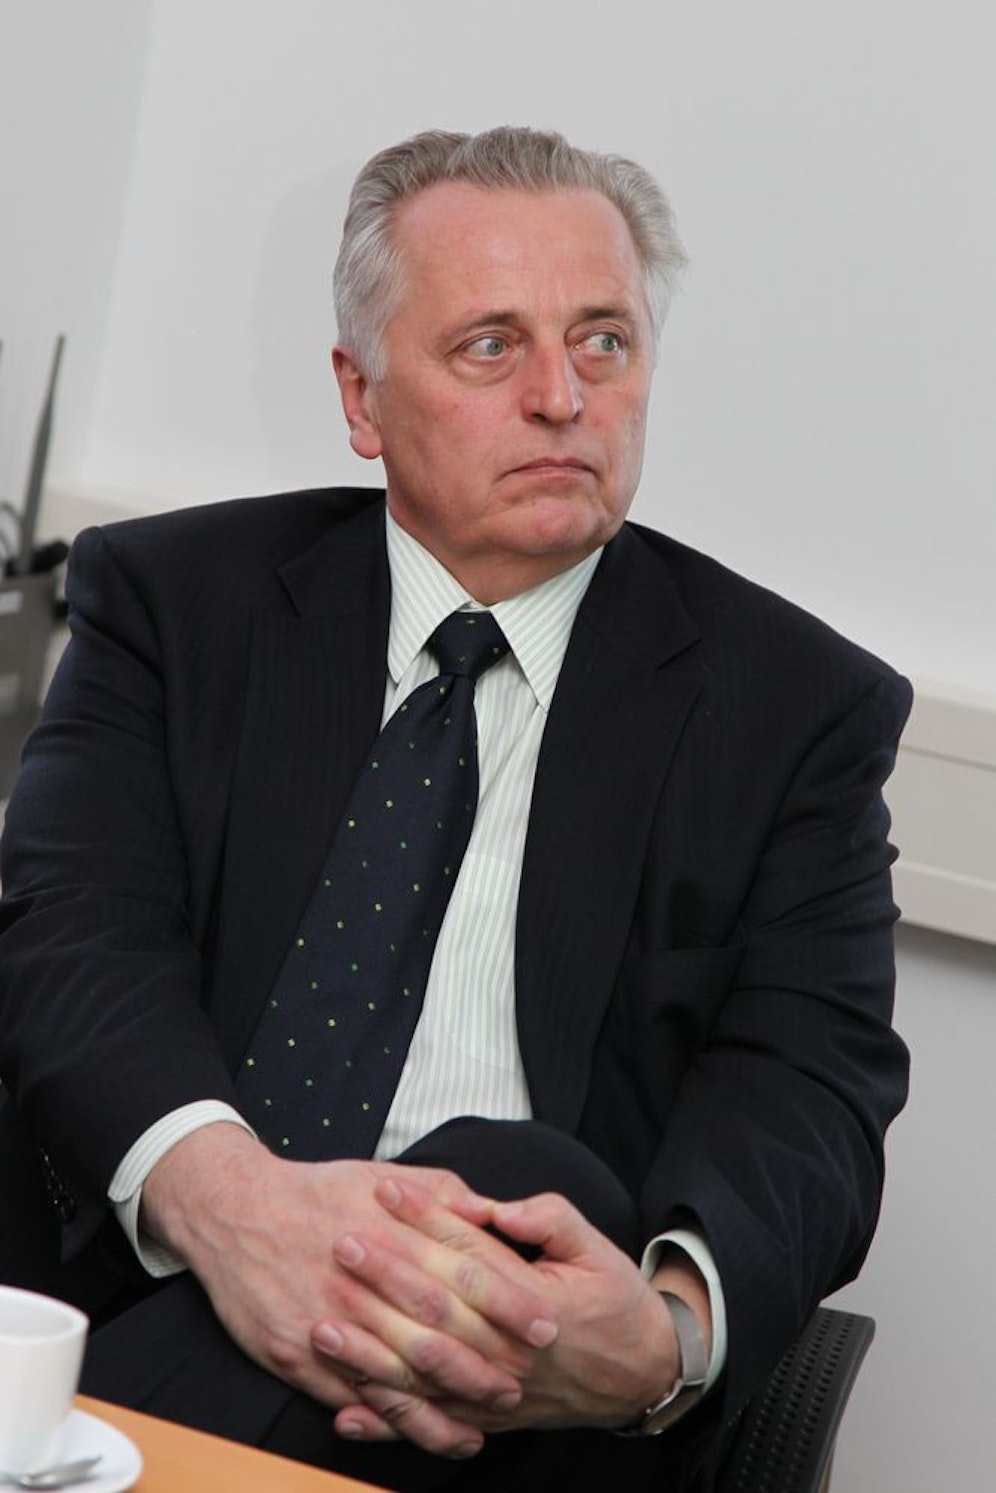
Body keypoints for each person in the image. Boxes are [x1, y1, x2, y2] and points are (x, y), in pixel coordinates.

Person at [0, 127, 911, 1491]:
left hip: (512, 1387)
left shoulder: (794, 711)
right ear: (361, 397)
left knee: (503, 1179)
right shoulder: (177, 607)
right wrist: (236, 1208)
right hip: (148, 1254)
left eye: (603, 341)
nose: (562, 397)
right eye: (492, 346)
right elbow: (75, 937)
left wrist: (667, 1333)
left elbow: (809, 1090)